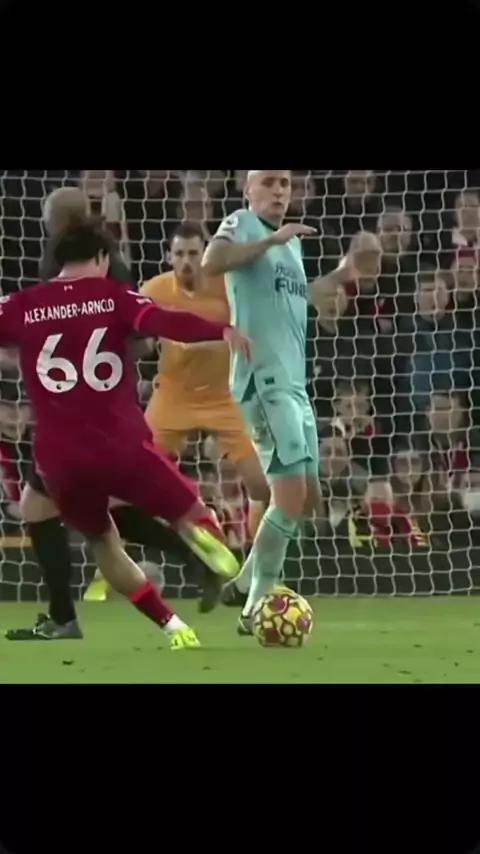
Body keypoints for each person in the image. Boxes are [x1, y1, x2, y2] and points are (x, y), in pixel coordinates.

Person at [0, 220, 249, 649]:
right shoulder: (115, 296)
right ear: (101, 258)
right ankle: (204, 547)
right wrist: (221, 331)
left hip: (59, 458)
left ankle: (171, 625)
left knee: (102, 540)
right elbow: (166, 322)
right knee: (187, 507)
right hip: (122, 447)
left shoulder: (21, 305)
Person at [201, 169, 325, 633]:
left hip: (295, 385)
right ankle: (255, 607)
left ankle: (244, 582)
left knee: (308, 498)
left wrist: (340, 277)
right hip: (264, 381)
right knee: (289, 495)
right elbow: (213, 262)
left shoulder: (292, 246)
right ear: (248, 188)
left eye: (285, 183)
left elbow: (287, 305)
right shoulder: (242, 223)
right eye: (268, 181)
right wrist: (271, 241)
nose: (278, 190)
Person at [140, 221, 270, 546]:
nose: (186, 261)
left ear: (205, 254)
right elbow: (134, 337)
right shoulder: (153, 291)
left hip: (223, 397)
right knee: (135, 479)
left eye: (193, 253)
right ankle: (133, 560)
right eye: (180, 254)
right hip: (173, 396)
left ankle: (256, 553)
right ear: (169, 257)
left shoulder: (230, 287)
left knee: (262, 485)